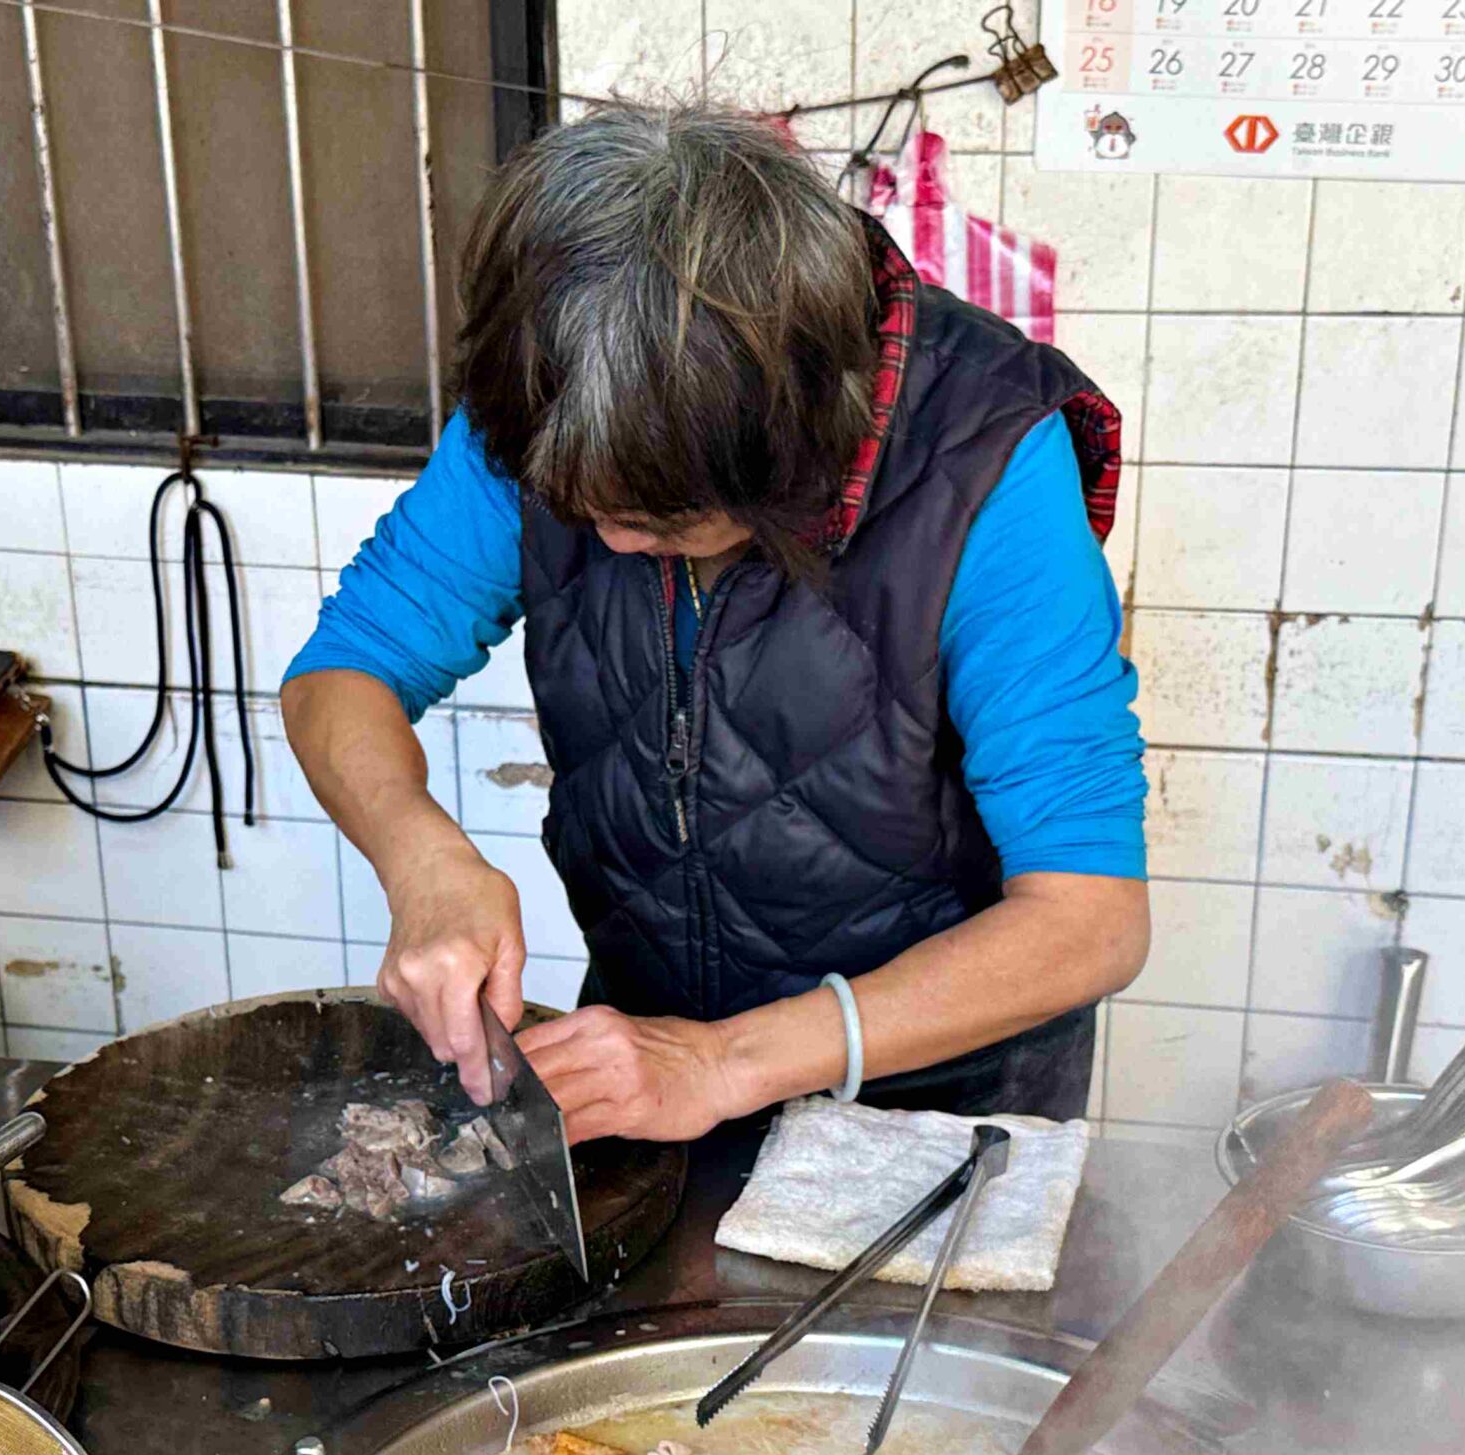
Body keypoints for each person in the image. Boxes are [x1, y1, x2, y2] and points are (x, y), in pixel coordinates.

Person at [282, 105, 1147, 1144]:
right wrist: (420, 859)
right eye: (577, 507)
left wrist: (725, 1061)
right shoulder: (554, 388)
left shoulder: (985, 458)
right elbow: (347, 668)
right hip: (651, 1044)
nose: (603, 539)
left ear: (789, 450)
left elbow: (1089, 918)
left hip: (937, 1090)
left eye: (655, 521)